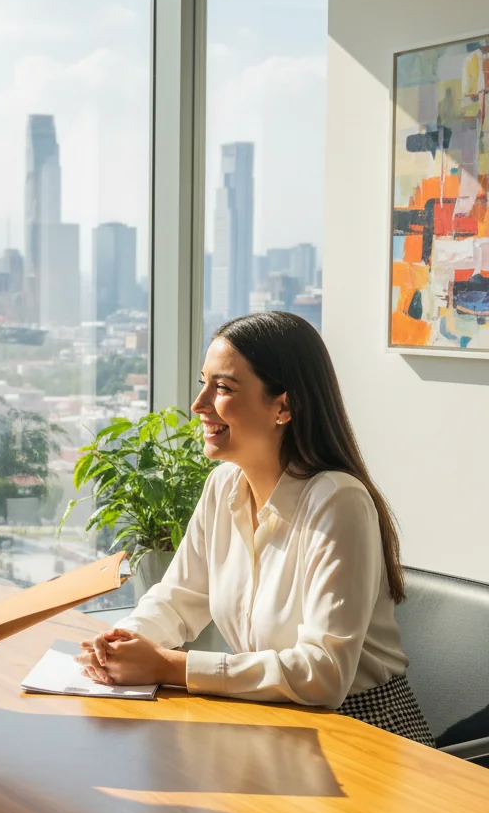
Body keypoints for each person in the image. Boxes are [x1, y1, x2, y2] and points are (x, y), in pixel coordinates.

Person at [77, 312, 434, 746]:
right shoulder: (224, 484)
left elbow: (323, 673)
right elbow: (179, 599)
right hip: (274, 722)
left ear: (283, 406)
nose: (199, 404)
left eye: (223, 387)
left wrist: (170, 667)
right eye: (203, 382)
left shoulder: (337, 500)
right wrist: (124, 642)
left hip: (362, 730)